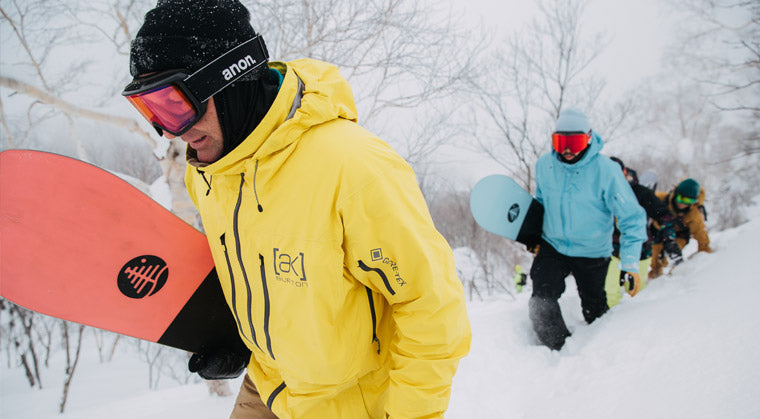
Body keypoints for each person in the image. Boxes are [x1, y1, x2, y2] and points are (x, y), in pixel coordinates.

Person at [122, 1, 472, 417]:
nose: (167, 129)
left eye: (172, 104)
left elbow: (430, 308)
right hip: (268, 386)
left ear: (227, 78)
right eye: (149, 110)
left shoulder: (353, 167)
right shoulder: (209, 175)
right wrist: (230, 333)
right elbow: (250, 269)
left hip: (349, 404)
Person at [529, 108, 646, 350]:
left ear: (589, 137)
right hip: (554, 246)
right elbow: (540, 204)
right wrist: (533, 235)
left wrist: (631, 264)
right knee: (541, 299)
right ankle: (558, 348)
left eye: (575, 142)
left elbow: (632, 219)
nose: (568, 150)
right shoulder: (544, 165)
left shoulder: (606, 171)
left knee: (595, 309)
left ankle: (597, 352)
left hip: (592, 252)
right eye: (561, 142)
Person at [604, 157, 683, 307]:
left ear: (624, 172)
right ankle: (610, 323)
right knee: (610, 289)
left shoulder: (640, 193)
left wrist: (669, 239)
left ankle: (636, 323)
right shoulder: (599, 193)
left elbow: (664, 214)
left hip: (639, 247)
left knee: (635, 290)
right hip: (610, 248)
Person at [649, 178, 711, 278]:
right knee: (654, 257)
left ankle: (673, 276)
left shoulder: (693, 214)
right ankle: (653, 277)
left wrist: (705, 253)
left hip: (679, 235)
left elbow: (700, 234)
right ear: (675, 194)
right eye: (681, 199)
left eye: (688, 201)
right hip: (659, 232)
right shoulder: (664, 200)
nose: (683, 204)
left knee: (667, 256)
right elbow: (647, 197)